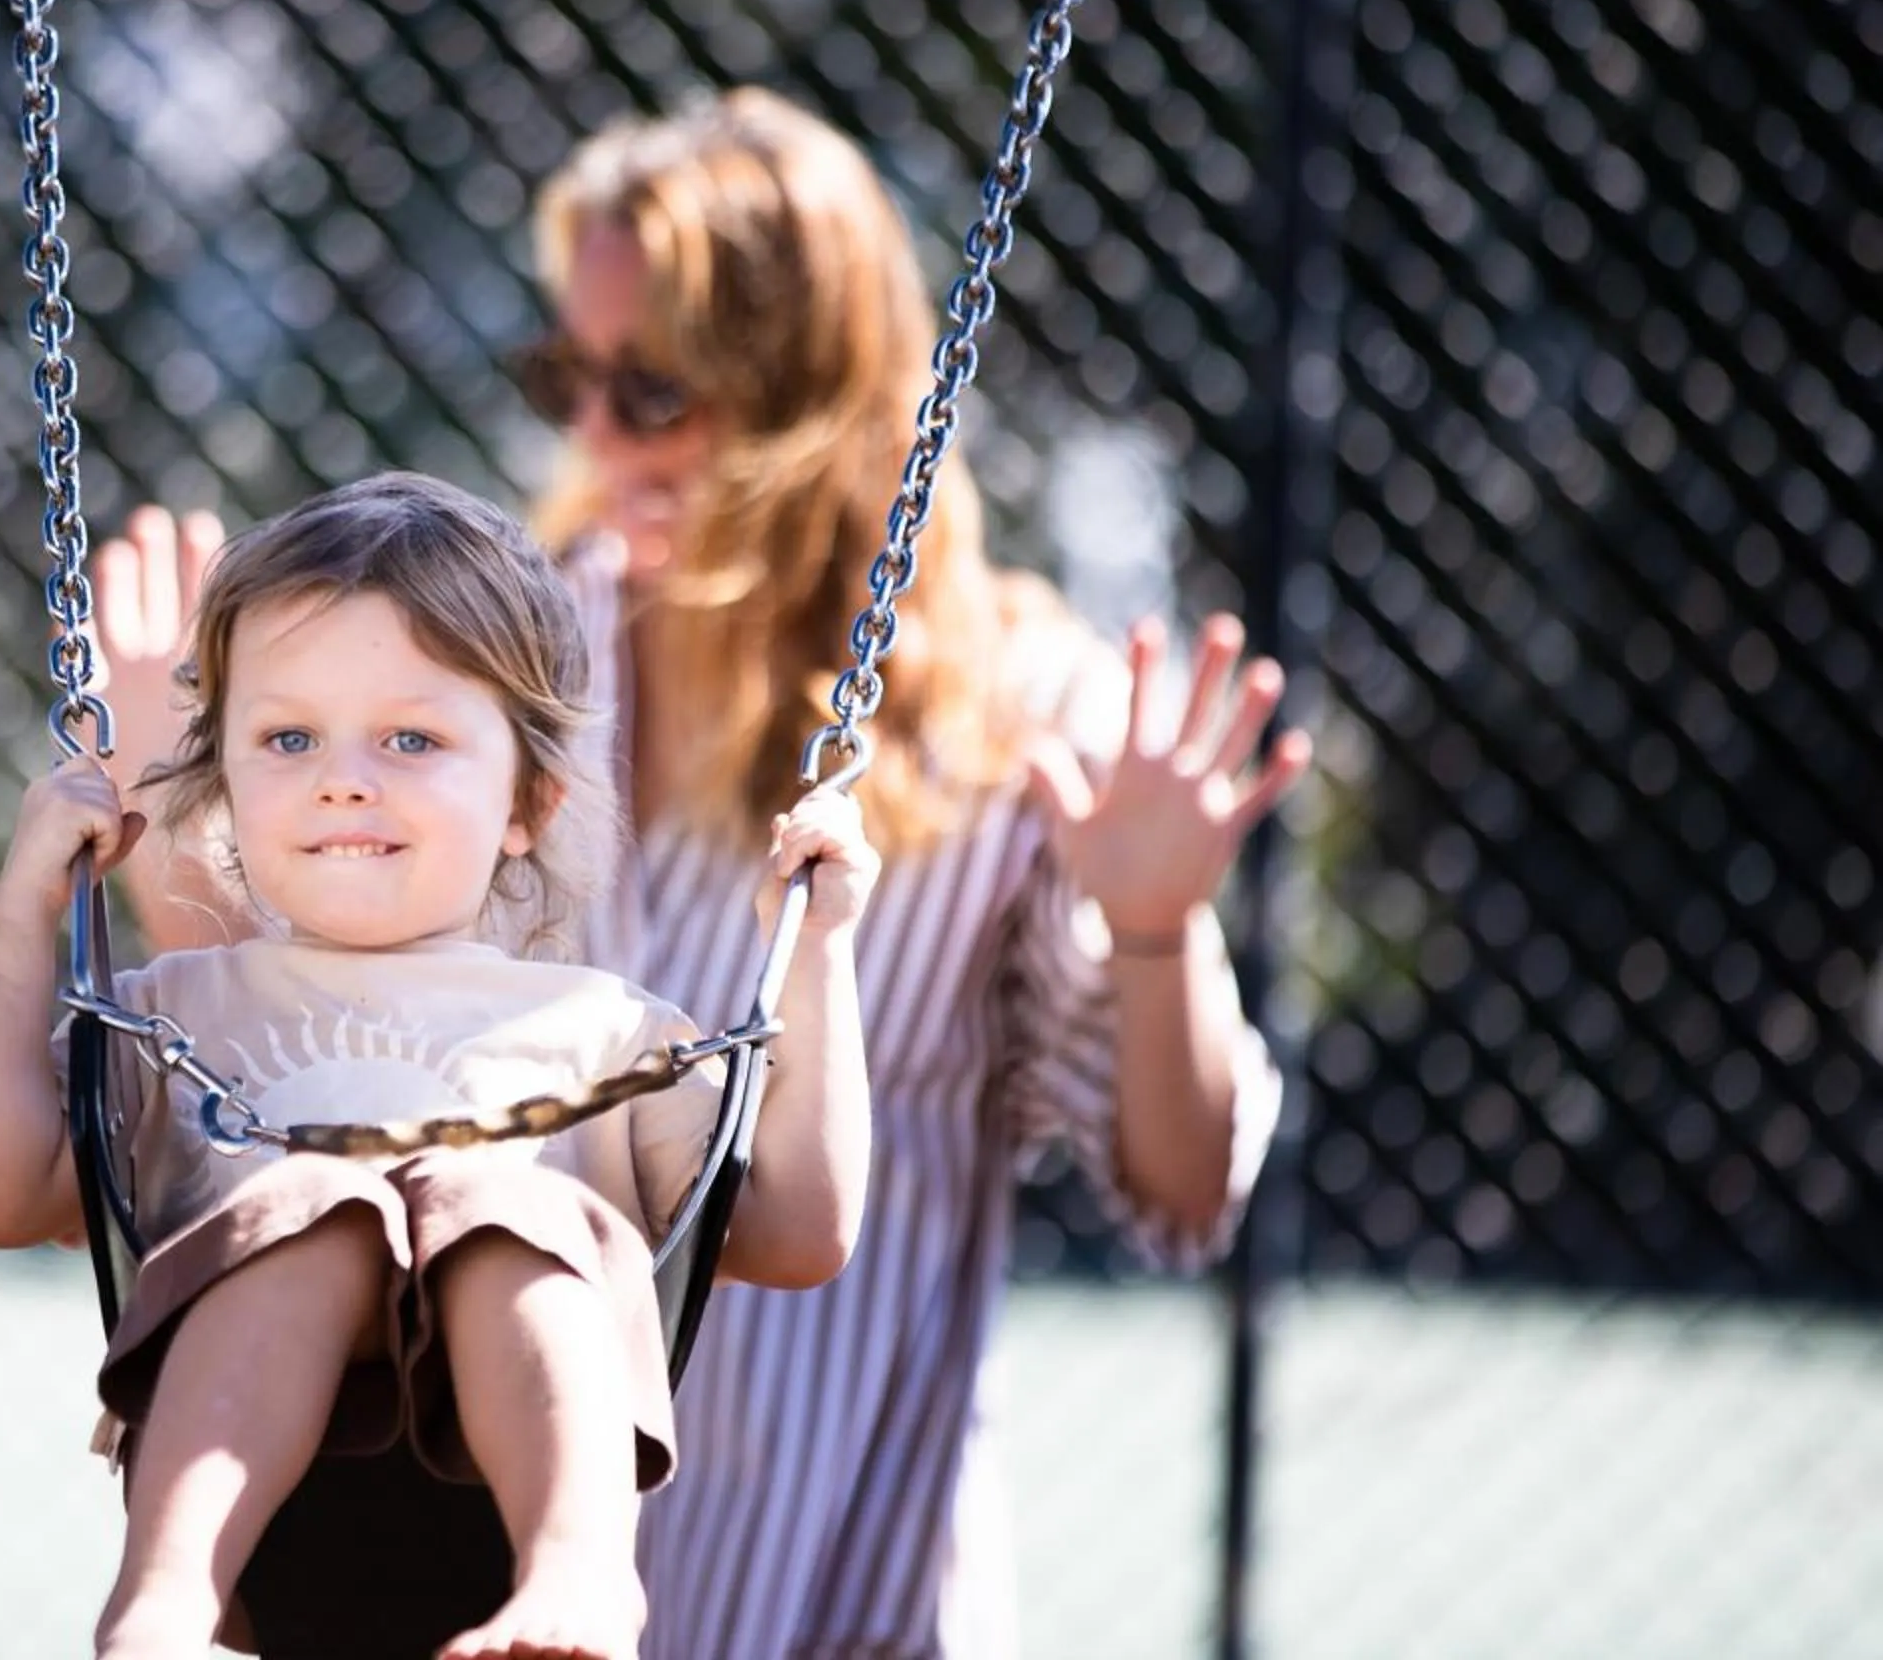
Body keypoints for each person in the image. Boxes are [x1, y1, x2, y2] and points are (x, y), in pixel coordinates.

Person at [88, 89, 1312, 1659]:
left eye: (649, 391)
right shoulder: (506, 666)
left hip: (835, 1588)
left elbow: (1184, 1188)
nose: (593, 440)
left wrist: (1159, 931)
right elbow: (279, 1049)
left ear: (809, 397)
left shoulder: (1026, 720)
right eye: (565, 381)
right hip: (465, 1575)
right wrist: (162, 817)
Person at [0, 470, 881, 1660]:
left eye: (411, 737)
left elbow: (798, 1229)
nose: (343, 776)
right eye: (287, 736)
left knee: (515, 1209)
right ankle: (159, 1598)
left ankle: (581, 1575)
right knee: (307, 1209)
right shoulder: (176, 1011)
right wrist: (27, 903)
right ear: (219, 772)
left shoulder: (603, 1027)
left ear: (530, 795)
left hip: (492, 1493)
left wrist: (819, 950)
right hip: (268, 1518)